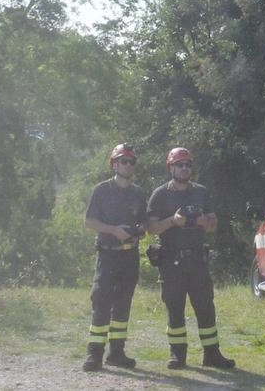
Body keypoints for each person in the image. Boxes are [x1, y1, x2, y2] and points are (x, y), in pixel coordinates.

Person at [145, 147, 235, 370]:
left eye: (188, 165)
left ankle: (212, 354)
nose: (184, 169)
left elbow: (214, 224)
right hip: (171, 260)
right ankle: (177, 355)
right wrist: (173, 221)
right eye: (180, 165)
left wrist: (204, 220)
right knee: (175, 308)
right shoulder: (160, 194)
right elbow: (151, 228)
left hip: (197, 259)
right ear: (170, 167)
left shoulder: (201, 192)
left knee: (205, 307)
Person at [81, 143, 146, 372]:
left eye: (131, 162)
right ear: (114, 164)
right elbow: (89, 222)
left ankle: (116, 354)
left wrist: (139, 229)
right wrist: (114, 230)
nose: (128, 165)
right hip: (108, 256)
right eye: (123, 161)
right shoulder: (101, 190)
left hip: (130, 256)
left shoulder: (138, 193)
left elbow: (144, 222)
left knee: (123, 305)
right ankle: (94, 355)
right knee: (101, 302)